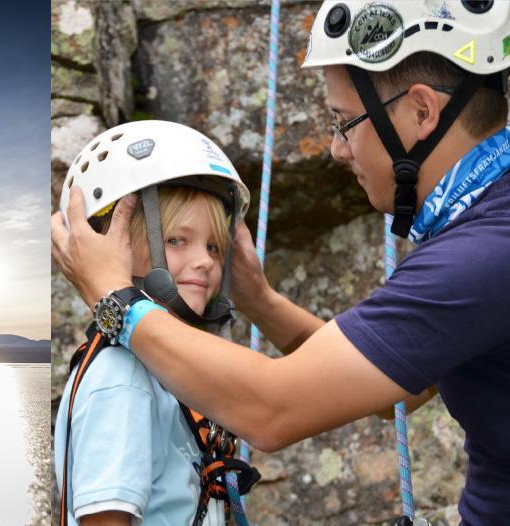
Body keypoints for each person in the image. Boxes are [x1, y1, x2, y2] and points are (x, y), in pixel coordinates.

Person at [52, 1, 510, 523]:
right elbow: (406, 389)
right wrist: (259, 299)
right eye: (179, 241)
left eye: (344, 122)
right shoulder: (482, 227)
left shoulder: (482, 254)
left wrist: (115, 299)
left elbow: (270, 410)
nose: (338, 149)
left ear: (422, 112)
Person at [55, 120, 258, 526]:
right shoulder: (123, 375)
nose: (205, 261)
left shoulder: (166, 373)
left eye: (214, 246)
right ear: (117, 247)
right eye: (177, 240)